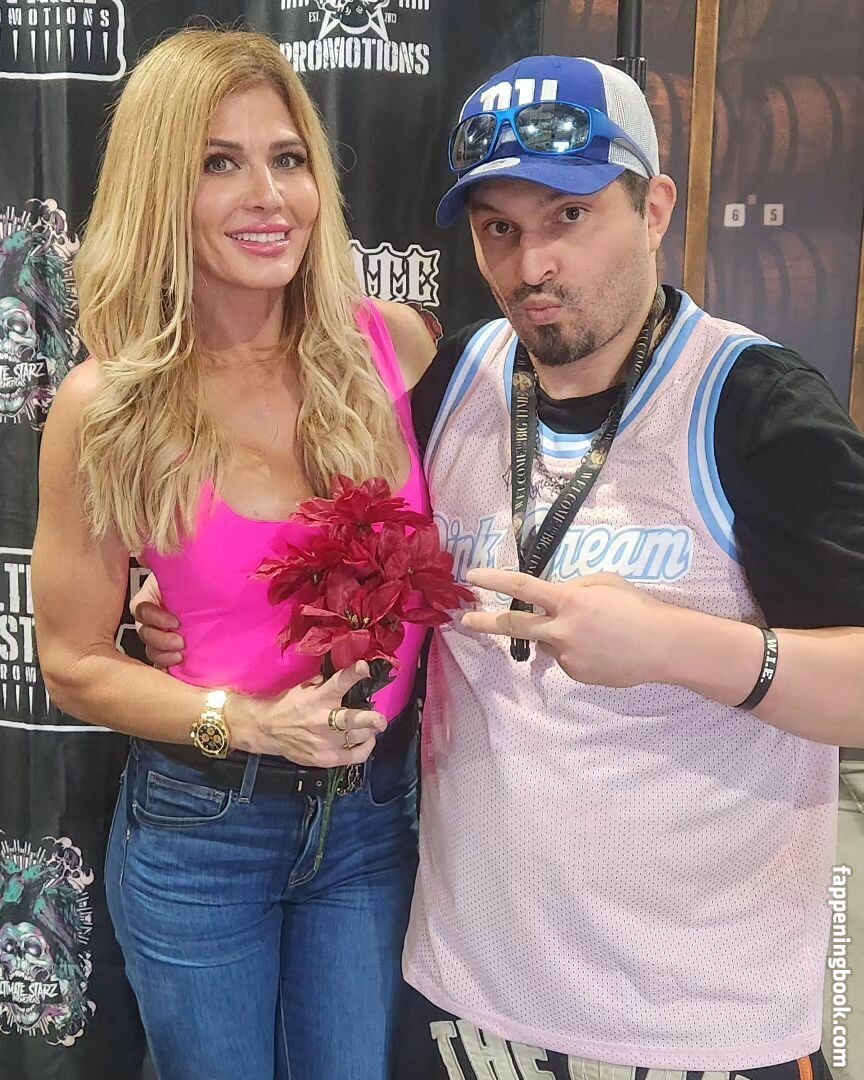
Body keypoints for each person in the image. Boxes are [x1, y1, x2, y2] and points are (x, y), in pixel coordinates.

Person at [137, 54, 864, 1080]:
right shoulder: (458, 378)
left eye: (571, 216)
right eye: (499, 230)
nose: (533, 266)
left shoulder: (754, 402)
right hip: (466, 1001)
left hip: (698, 1022)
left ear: (654, 209)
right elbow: (317, 530)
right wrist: (176, 600)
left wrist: (676, 646)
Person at [32, 27, 436, 1080]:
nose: (268, 197)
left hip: (373, 823)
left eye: (287, 158)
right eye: (220, 162)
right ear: (160, 189)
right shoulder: (107, 408)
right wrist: (244, 718)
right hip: (202, 830)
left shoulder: (389, 346)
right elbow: (71, 661)